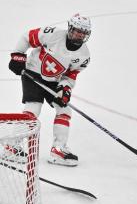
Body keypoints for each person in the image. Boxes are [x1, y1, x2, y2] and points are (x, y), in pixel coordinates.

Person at [7, 14, 91, 166]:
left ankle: (58, 150)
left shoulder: (84, 55)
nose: (80, 34)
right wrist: (17, 55)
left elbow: (71, 75)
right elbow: (27, 37)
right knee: (33, 108)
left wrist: (65, 89)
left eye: (83, 32)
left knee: (64, 110)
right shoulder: (52, 34)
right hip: (33, 73)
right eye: (77, 30)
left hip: (54, 81)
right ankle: (11, 147)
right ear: (70, 28)